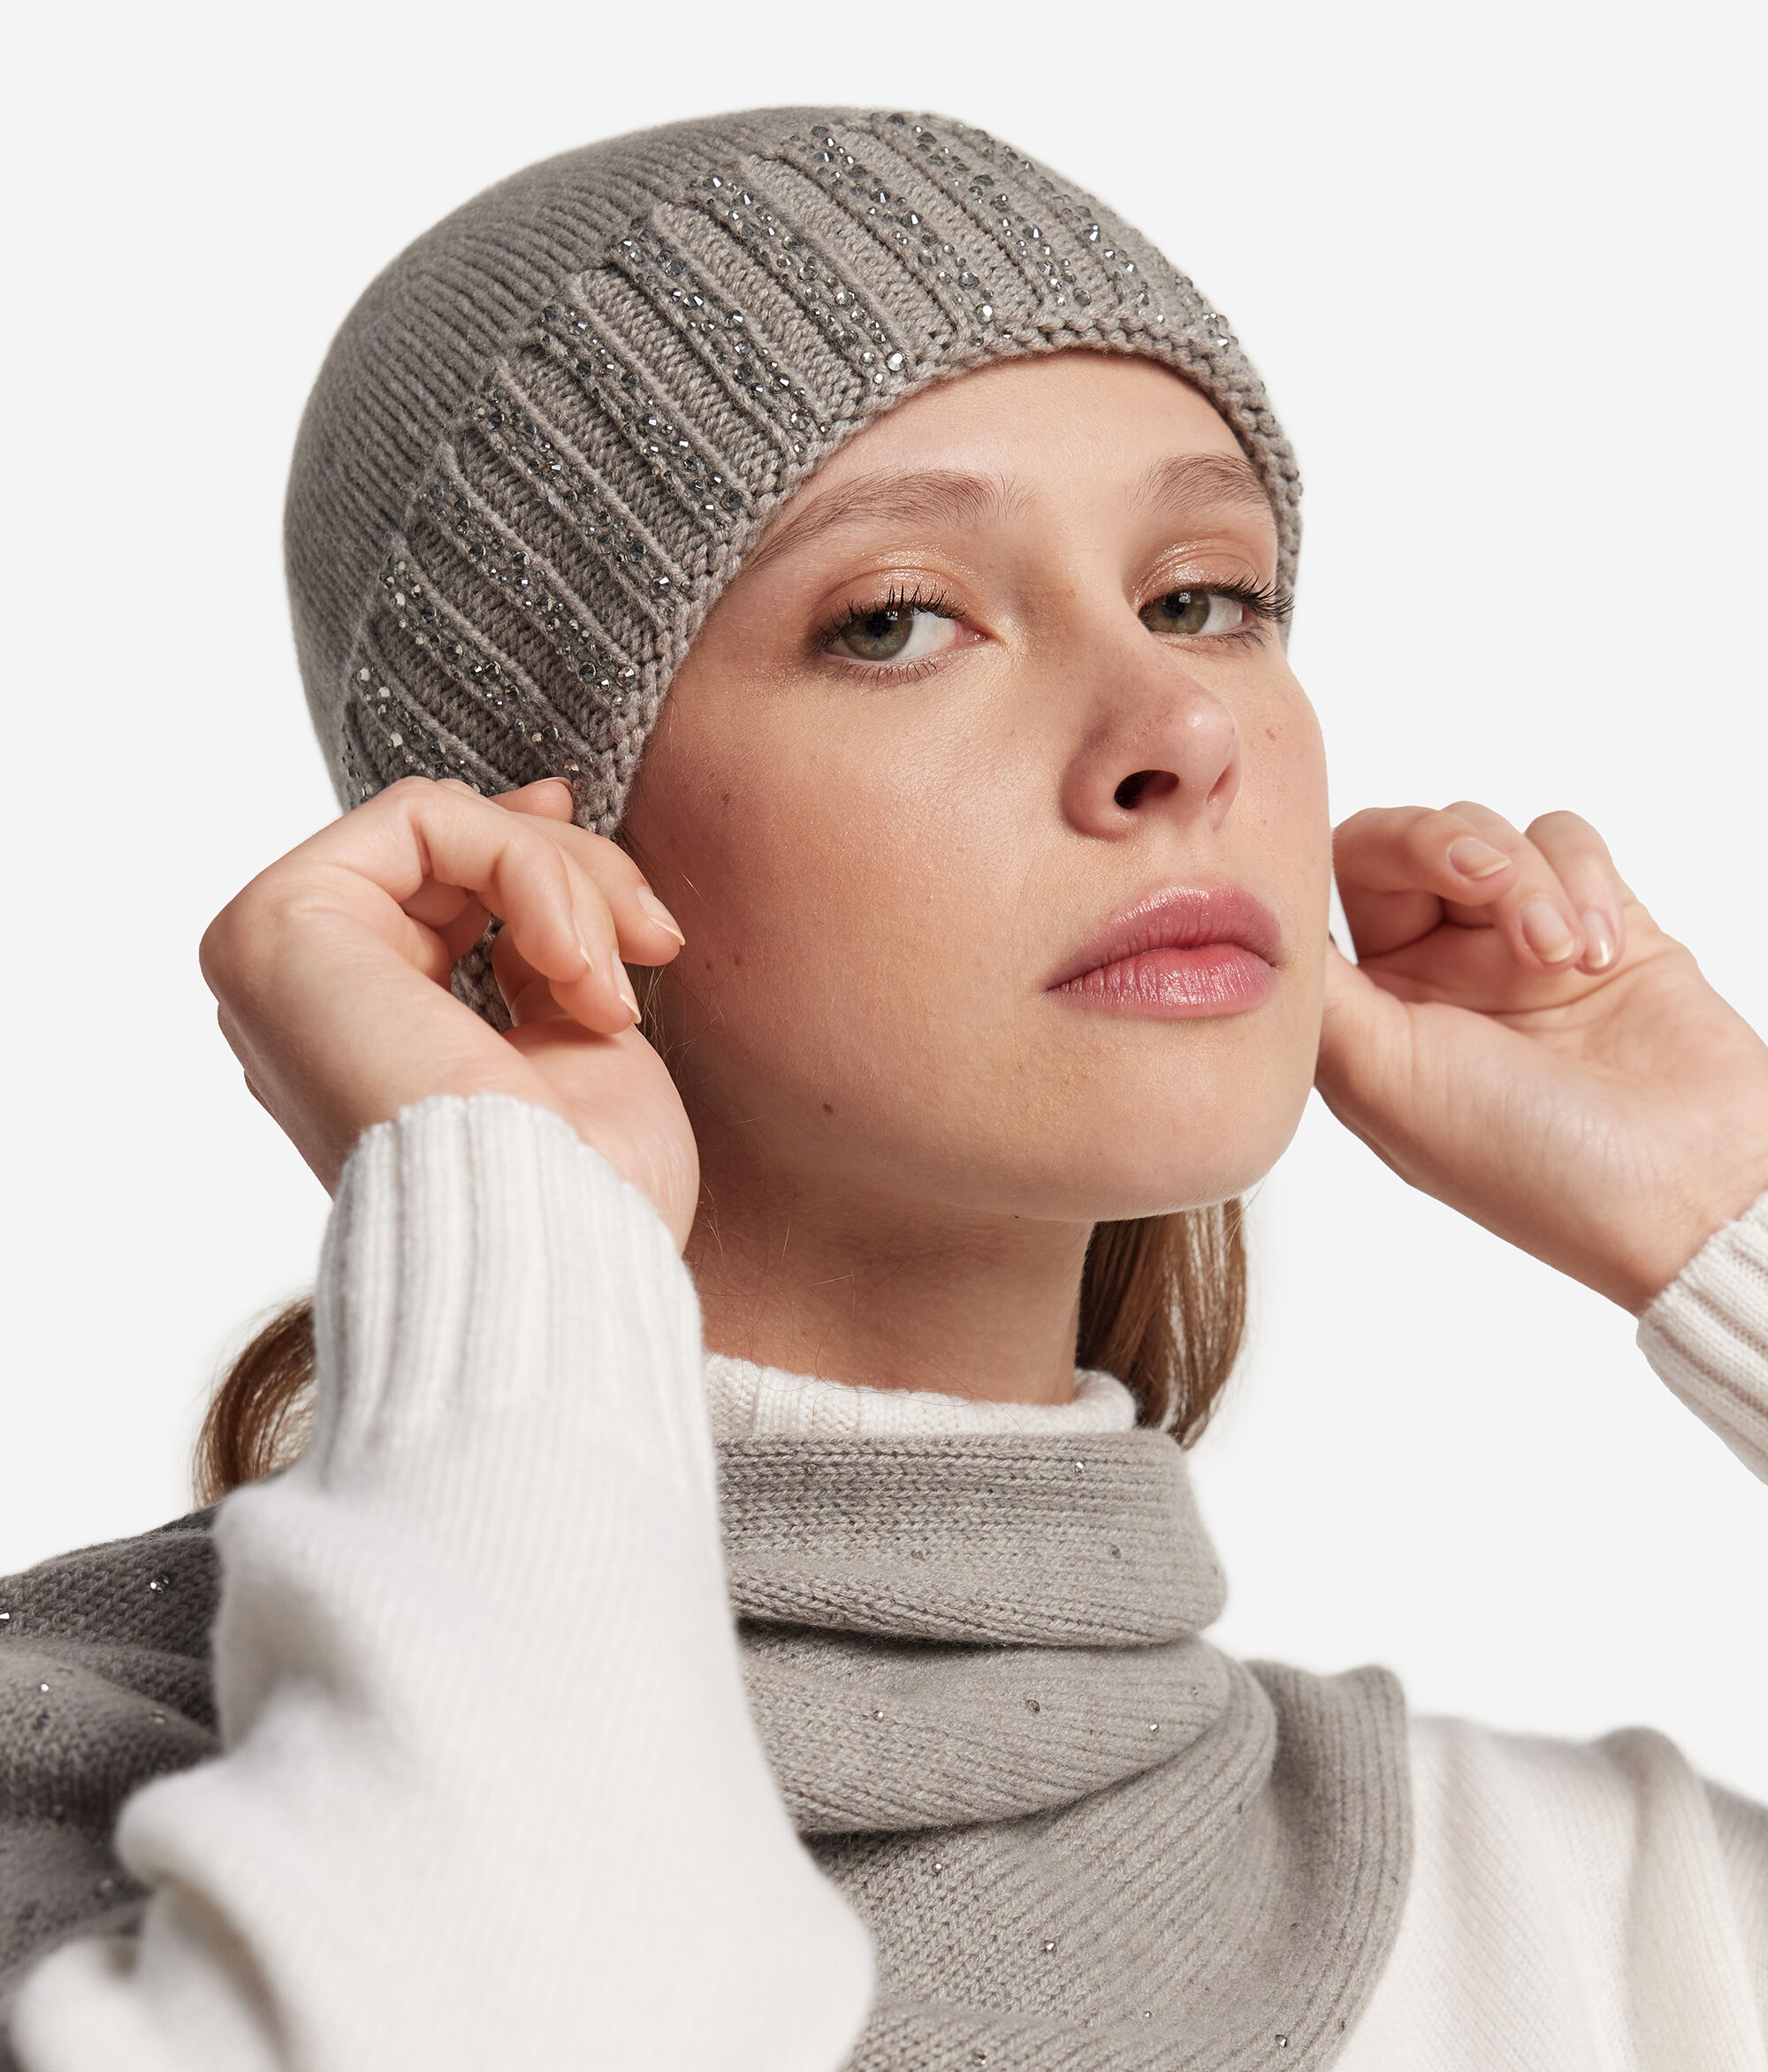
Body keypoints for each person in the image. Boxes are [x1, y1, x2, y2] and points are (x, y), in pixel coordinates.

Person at [2, 105, 1764, 2072]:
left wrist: (1726, 1201)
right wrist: (512, 1191)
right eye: (896, 620)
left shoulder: (1610, 1922)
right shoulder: (90, 1813)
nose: (1180, 727)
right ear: (525, 849)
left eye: (1203, 595)